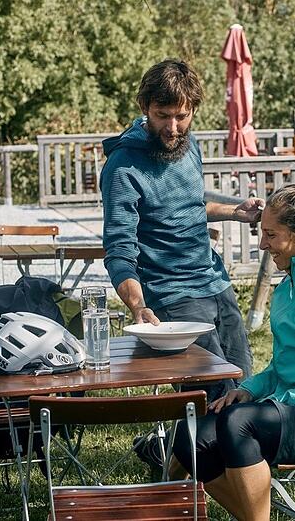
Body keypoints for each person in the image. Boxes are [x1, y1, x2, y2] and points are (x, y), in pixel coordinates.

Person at [169, 172, 295, 521]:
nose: (262, 244)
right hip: (294, 410)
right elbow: (282, 368)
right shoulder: (289, 288)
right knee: (193, 434)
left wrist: (272, 402)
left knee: (239, 424)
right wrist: (249, 391)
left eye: (271, 234)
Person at [101, 59, 263, 404]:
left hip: (214, 281)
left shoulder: (191, 146)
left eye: (182, 116)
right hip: (171, 295)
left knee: (242, 383)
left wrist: (234, 212)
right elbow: (119, 250)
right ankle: (203, 456)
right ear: (145, 108)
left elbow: (189, 206)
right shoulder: (122, 168)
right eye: (163, 115)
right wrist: (138, 305)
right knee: (212, 393)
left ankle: (201, 454)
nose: (173, 127)